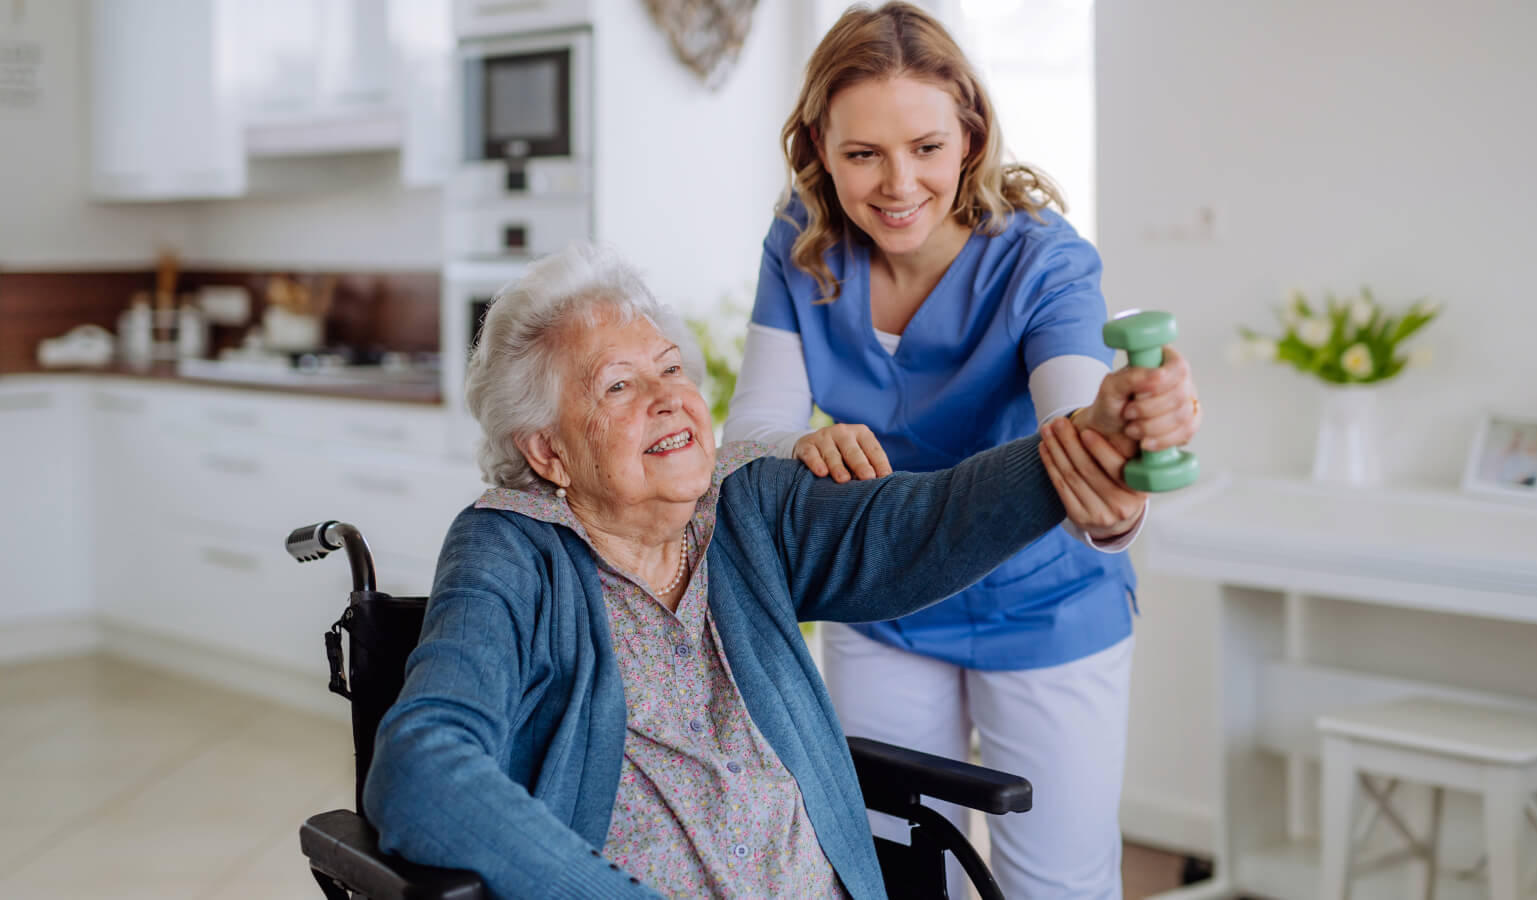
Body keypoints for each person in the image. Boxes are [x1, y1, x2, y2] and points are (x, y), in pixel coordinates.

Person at [362, 242, 1147, 900]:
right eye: (619, 386)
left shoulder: (745, 502)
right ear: (547, 451)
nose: (669, 401)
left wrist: (1084, 440)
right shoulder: (510, 550)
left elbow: (924, 523)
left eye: (672, 371)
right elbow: (422, 769)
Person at [722, 5, 1202, 898]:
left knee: (1054, 886)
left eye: (927, 147)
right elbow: (749, 435)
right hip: (886, 604)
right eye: (863, 153)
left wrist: (1120, 431)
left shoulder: (1042, 261)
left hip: (1045, 607)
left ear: (970, 136)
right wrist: (801, 443)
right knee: (894, 872)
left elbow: (1076, 408)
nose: (898, 184)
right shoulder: (801, 244)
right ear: (819, 149)